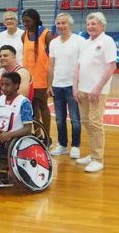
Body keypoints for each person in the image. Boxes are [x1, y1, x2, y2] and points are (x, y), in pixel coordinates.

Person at [73, 12, 116, 173]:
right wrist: (75, 87)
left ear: (102, 26)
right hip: (82, 90)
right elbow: (78, 67)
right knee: (86, 122)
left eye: (94, 24)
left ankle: (98, 159)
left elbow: (112, 67)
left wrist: (97, 88)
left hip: (97, 92)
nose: (90, 26)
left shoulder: (107, 41)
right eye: (88, 24)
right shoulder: (85, 43)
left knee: (95, 123)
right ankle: (92, 155)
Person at [48, 13, 85, 158]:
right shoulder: (53, 43)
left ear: (70, 24)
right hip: (57, 85)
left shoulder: (80, 41)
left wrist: (79, 85)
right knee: (59, 118)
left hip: (73, 86)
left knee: (75, 118)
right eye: (58, 23)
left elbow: (83, 65)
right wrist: (49, 85)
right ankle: (62, 145)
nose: (61, 26)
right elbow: (51, 66)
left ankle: (76, 146)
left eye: (64, 23)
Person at [22, 9, 54, 139]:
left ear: (35, 20)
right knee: (33, 108)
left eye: (27, 21)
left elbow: (53, 56)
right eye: (23, 21)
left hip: (42, 78)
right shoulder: (23, 35)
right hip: (28, 79)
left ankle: (47, 137)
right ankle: (38, 135)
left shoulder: (46, 34)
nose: (25, 23)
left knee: (43, 107)